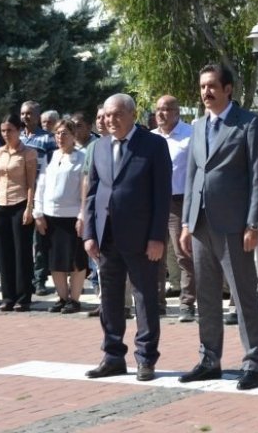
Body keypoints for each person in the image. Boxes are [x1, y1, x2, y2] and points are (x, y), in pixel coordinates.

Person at [178, 64, 258, 391]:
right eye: (202, 86)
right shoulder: (198, 125)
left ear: (228, 89)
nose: (206, 92)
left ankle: (253, 363)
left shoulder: (248, 123)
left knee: (244, 296)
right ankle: (209, 360)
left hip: (235, 225)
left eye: (212, 86)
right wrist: (187, 222)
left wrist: (253, 223)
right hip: (201, 223)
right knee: (206, 295)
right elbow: (192, 176)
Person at [82, 94, 171, 382]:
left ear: (132, 114)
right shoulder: (98, 147)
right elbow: (92, 194)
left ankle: (146, 358)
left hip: (142, 238)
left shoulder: (153, 145)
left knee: (144, 298)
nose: (111, 120)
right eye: (107, 115)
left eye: (117, 114)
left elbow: (162, 195)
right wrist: (89, 234)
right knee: (109, 299)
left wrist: (157, 237)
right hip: (106, 237)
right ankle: (112, 356)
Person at [34, 117, 88, 314]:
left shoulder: (82, 158)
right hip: (51, 217)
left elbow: (85, 190)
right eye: (57, 133)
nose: (60, 137)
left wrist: (82, 216)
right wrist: (37, 213)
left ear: (74, 136)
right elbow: (40, 186)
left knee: (75, 260)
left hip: (72, 217)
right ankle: (62, 297)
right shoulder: (51, 156)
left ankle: (74, 299)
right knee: (55, 261)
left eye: (65, 133)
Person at [0, 113, 39, 312]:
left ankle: (23, 296)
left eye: (10, 130)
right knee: (3, 252)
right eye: (3, 131)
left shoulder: (28, 153)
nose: (6, 134)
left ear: (19, 131)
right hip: (1, 203)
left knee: (22, 252)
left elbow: (31, 183)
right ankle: (8, 296)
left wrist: (29, 208)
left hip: (20, 203)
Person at [150, 94, 195, 322]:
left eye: (166, 109)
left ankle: (187, 302)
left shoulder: (189, 135)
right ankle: (157, 302)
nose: (161, 113)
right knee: (155, 253)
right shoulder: (150, 138)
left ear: (177, 112)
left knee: (183, 254)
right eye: (158, 109)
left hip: (180, 202)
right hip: (155, 203)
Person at [20, 100, 56, 297]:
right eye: (23, 113)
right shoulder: (18, 139)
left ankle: (40, 279)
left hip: (40, 194)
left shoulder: (48, 140)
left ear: (37, 116)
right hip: (20, 195)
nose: (26, 117)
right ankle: (25, 277)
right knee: (23, 241)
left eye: (30, 114)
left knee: (39, 241)